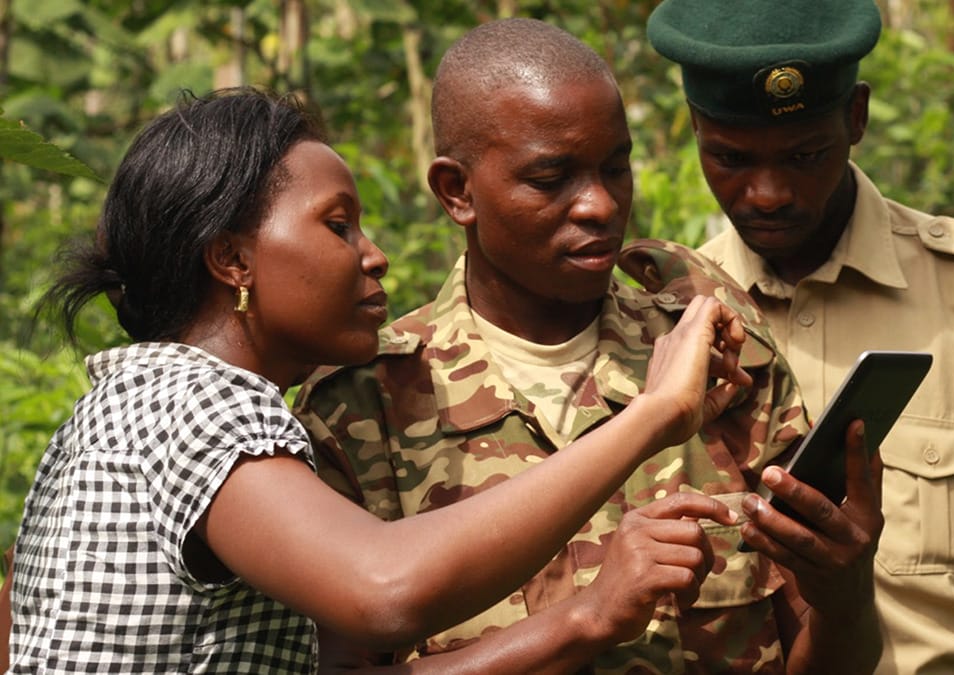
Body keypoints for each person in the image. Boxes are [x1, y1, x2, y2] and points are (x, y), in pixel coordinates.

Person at [6, 87, 759, 673]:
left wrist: (588, 614)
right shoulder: (197, 404)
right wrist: (655, 412)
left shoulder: (130, 402)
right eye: (337, 225)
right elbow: (384, 588)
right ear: (233, 260)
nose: (374, 256)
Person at [295, 18, 884, 674]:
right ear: (457, 192)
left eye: (615, 167)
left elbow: (827, 653)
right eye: (552, 179)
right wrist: (587, 617)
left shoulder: (716, 352)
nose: (600, 206)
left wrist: (848, 594)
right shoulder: (365, 404)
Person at [643, 1, 954, 673]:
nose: (770, 192)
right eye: (731, 158)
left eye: (806, 154)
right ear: (694, 130)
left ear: (855, 117)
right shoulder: (669, 316)